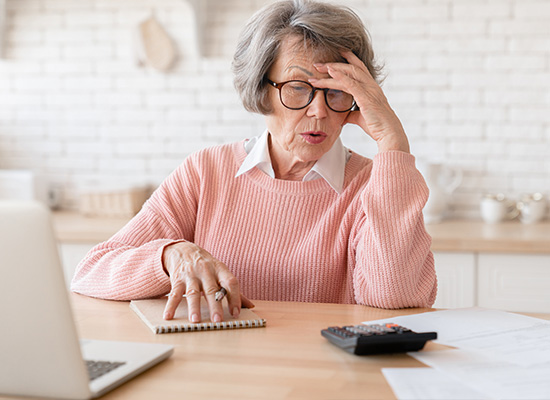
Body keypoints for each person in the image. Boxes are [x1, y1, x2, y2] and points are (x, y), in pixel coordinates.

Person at [71, 0, 437, 324]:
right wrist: (171, 255)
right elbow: (91, 272)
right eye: (298, 87)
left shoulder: (375, 183)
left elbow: (396, 296)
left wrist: (393, 145)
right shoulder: (206, 172)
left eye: (337, 92)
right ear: (263, 88)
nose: (319, 111)